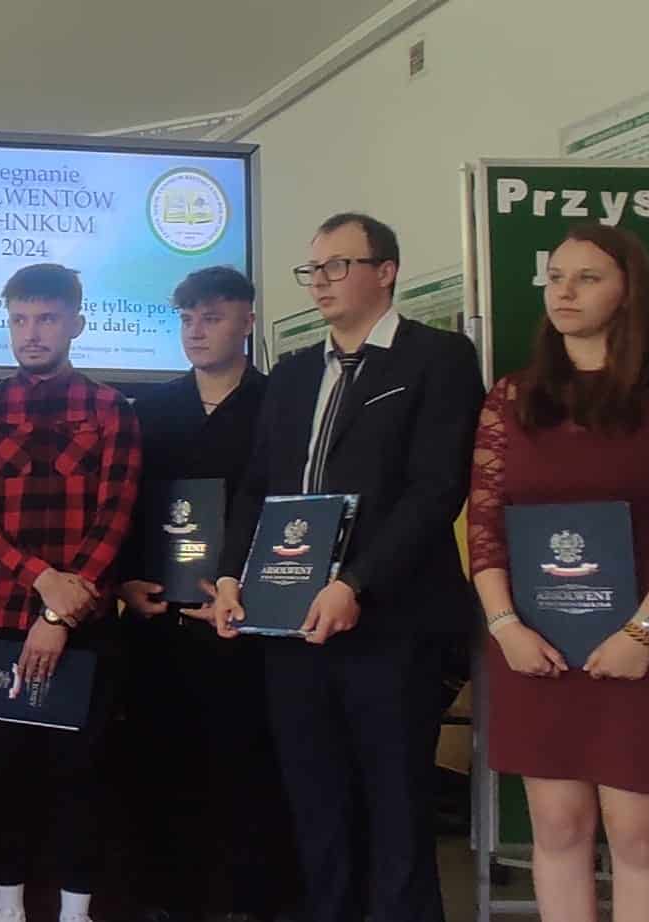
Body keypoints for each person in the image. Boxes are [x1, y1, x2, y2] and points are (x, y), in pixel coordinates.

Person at [206, 213, 484, 922]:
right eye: (313, 269)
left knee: (397, 802)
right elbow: (259, 486)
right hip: (289, 620)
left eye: (338, 266)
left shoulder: (437, 358)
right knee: (315, 799)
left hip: (391, 620)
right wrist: (233, 575)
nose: (320, 282)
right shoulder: (295, 372)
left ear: (385, 272)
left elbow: (435, 490)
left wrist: (355, 582)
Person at [467, 223, 649, 922]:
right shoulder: (512, 396)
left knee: (639, 838)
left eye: (587, 278)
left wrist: (644, 633)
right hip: (535, 644)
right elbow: (484, 527)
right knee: (556, 830)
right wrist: (505, 627)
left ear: (629, 290)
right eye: (555, 277)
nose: (565, 292)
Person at [0, 264, 138, 922]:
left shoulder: (112, 410)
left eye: (47, 319)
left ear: (76, 324)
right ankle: (6, 910)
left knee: (79, 779)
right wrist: (40, 580)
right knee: (2, 780)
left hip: (84, 630)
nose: (31, 333)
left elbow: (116, 516)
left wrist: (59, 612)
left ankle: (74, 913)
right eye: (20, 320)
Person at [118, 266, 294, 921]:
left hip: (246, 622)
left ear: (247, 321)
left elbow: (288, 507)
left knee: (247, 766)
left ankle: (249, 901)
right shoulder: (150, 409)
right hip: (159, 618)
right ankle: (167, 900)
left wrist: (253, 591)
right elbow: (127, 507)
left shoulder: (280, 405)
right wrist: (124, 580)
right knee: (161, 762)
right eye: (187, 318)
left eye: (212, 317)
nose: (196, 331)